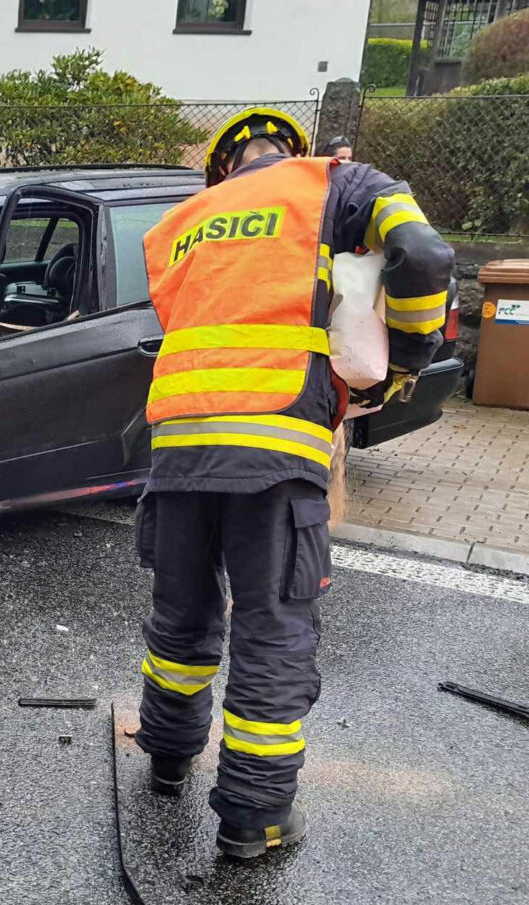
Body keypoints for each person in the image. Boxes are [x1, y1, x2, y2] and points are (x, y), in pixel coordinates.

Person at [133, 108, 453, 858]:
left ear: (223, 169)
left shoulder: (180, 219)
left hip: (178, 444)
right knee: (272, 629)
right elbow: (426, 257)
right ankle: (255, 817)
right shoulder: (338, 186)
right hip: (275, 448)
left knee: (180, 620)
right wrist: (407, 355)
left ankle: (168, 762)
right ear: (293, 152)